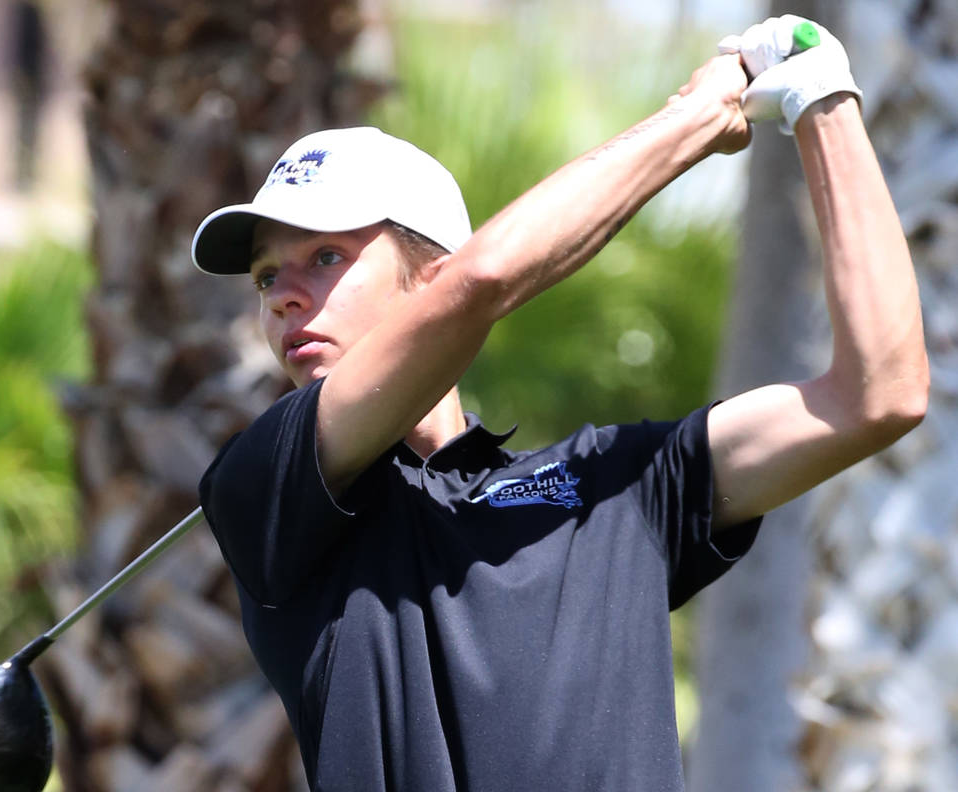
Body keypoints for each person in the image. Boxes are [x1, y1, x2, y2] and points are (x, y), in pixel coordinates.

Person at [190, 15, 928, 792]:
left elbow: (877, 395)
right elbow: (480, 286)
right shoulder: (264, 495)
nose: (283, 298)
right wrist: (695, 120)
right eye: (268, 275)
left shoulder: (618, 489)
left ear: (426, 273)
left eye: (327, 256)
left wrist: (825, 100)